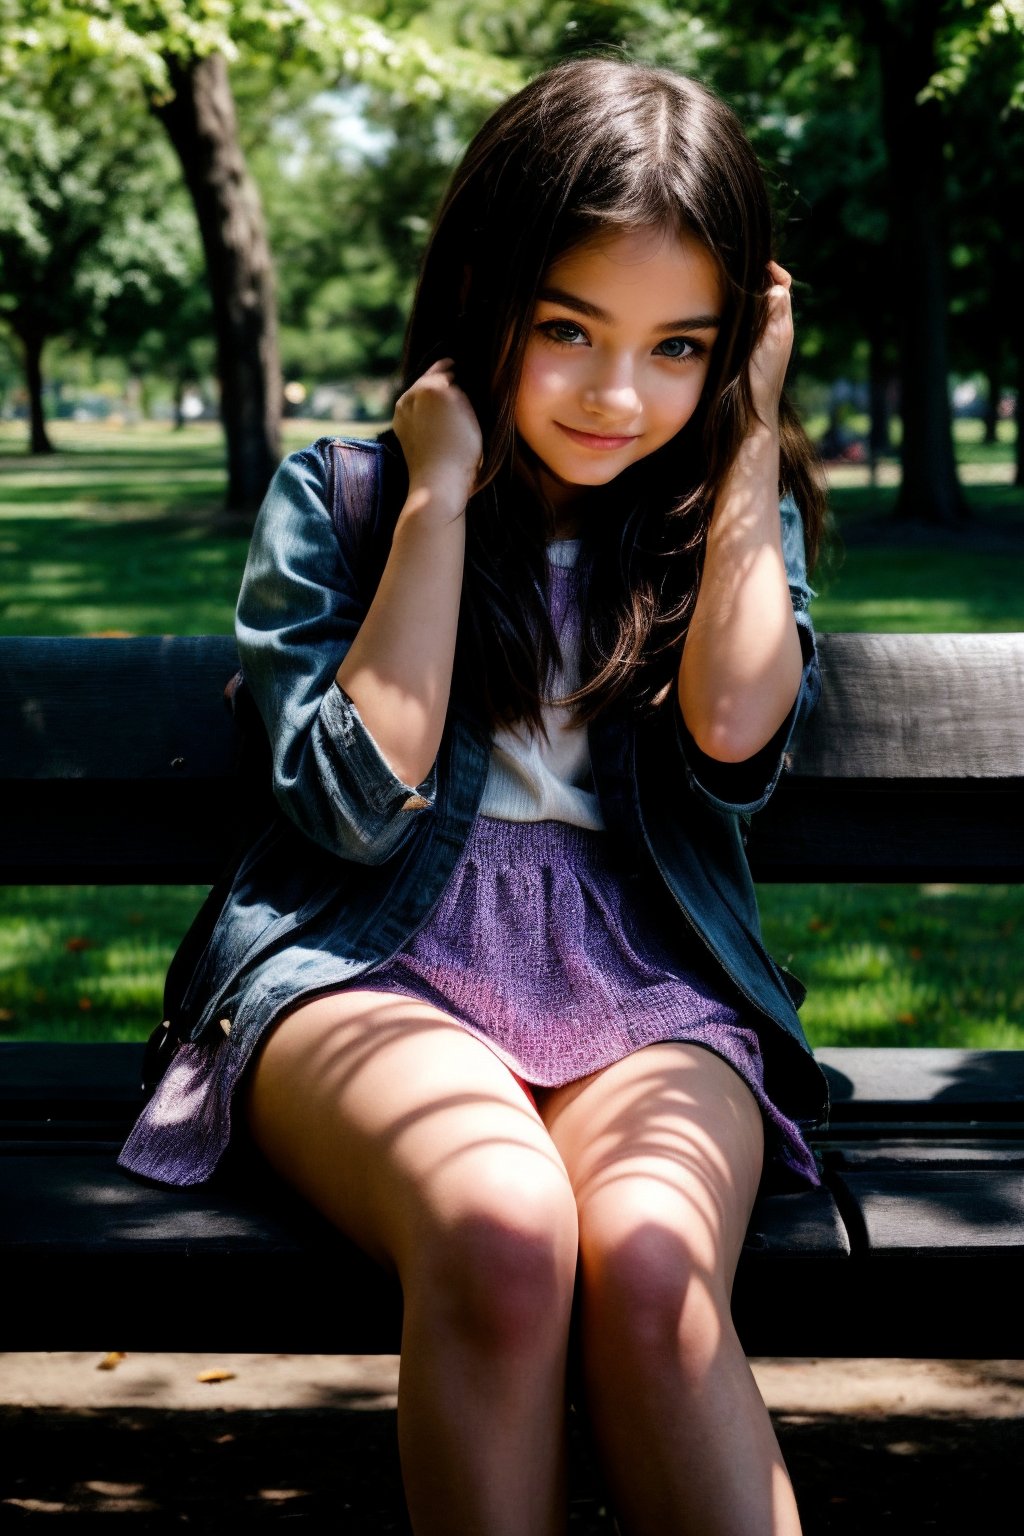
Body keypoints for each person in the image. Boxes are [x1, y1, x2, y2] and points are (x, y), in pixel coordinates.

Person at [121, 55, 829, 1536]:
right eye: (568, 327)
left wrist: (756, 442)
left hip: (650, 975)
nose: (620, 393)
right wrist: (439, 502)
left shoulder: (716, 519)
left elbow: (729, 741)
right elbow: (355, 805)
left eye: (682, 347)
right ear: (485, 295)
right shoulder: (350, 496)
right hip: (369, 958)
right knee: (506, 1228)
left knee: (647, 1258)